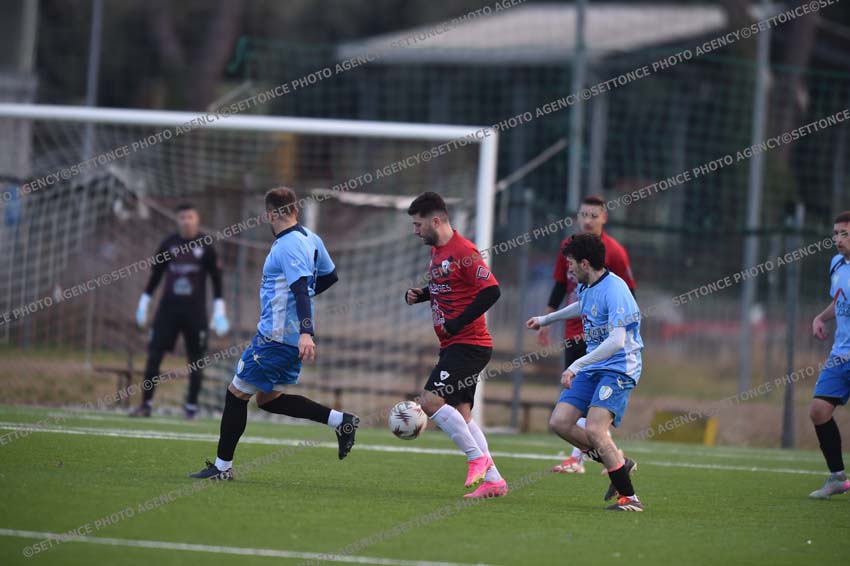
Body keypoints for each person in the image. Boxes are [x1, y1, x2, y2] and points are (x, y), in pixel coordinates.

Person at [190, 187, 358, 480]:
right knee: (268, 400)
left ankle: (222, 468)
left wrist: (306, 331)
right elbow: (330, 276)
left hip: (276, 338)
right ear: (296, 210)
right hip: (287, 339)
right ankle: (341, 421)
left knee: (235, 395)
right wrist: (301, 318)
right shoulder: (311, 238)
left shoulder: (287, 245)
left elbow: (301, 290)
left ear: (269, 214)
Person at [527, 234, 644, 511]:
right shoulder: (587, 285)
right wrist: (546, 319)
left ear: (585, 263)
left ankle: (630, 498)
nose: (568, 269)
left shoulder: (616, 289)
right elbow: (583, 306)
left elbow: (616, 341)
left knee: (594, 428)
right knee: (560, 422)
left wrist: (575, 366)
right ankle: (618, 463)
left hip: (619, 367)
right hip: (594, 366)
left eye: (570, 263)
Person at [405, 191, 507, 498]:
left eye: (418, 224)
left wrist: (459, 321)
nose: (415, 231)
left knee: (429, 401)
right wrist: (422, 295)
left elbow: (491, 291)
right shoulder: (437, 251)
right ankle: (494, 481)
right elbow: (449, 286)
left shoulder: (463, 250)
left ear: (436, 221)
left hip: (469, 344)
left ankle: (477, 459)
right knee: (461, 414)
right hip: (454, 344)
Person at [538, 195, 636, 474]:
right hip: (575, 332)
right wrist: (546, 319)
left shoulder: (614, 253)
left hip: (606, 340)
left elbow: (628, 293)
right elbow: (560, 286)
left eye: (594, 215)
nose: (588, 220)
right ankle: (609, 460)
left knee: (593, 409)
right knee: (575, 402)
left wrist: (624, 330)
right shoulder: (569, 247)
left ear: (604, 218)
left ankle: (591, 460)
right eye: (583, 214)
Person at [132, 203, 230, 419]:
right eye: (183, 217)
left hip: (195, 313)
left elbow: (216, 279)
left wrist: (219, 309)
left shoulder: (206, 246)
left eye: (190, 217)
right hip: (167, 311)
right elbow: (156, 275)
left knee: (196, 360)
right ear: (177, 220)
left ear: (197, 219)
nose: (186, 221)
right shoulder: (168, 244)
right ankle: (145, 405)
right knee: (154, 356)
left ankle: (191, 408)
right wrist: (144, 302)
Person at [808, 210, 850, 499]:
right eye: (836, 234)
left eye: (845, 234)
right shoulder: (836, 263)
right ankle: (837, 478)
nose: (838, 239)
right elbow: (840, 300)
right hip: (841, 355)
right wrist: (820, 318)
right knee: (819, 411)